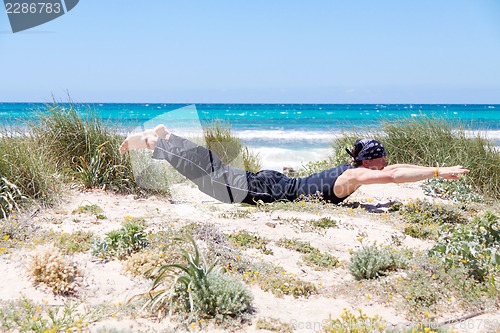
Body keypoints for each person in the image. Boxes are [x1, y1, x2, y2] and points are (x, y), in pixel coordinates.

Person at [119, 125, 470, 205]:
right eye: (384, 158)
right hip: (273, 189)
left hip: (277, 185)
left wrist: (433, 167)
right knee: (212, 181)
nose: (389, 163)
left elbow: (393, 168)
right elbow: (393, 175)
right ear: (372, 160)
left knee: (217, 171)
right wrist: (439, 172)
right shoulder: (354, 176)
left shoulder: (354, 170)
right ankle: (154, 142)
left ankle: (167, 138)